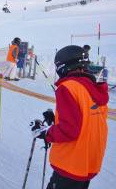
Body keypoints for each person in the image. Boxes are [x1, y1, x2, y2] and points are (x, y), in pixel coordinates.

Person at [32, 45, 109, 189]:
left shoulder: (68, 87)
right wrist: (56, 120)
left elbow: (69, 130)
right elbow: (86, 120)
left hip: (70, 164)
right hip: (88, 162)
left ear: (64, 66)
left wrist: (46, 133)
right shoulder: (94, 87)